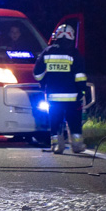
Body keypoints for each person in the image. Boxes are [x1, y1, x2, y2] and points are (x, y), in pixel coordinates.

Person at [34, 24, 87, 154]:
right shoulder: (74, 54)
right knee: (74, 120)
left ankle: (57, 146)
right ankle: (77, 145)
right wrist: (82, 91)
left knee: (55, 121)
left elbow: (37, 74)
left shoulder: (47, 52)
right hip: (72, 96)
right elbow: (80, 76)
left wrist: (45, 81)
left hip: (53, 95)